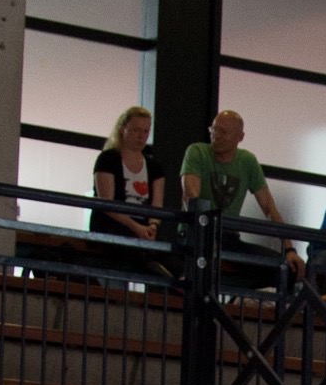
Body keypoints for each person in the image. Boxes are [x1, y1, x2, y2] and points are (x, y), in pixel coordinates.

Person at [180, 107, 299, 289]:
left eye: (223, 132)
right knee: (205, 261)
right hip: (197, 231)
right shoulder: (197, 152)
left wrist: (289, 249)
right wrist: (207, 236)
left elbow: (269, 207)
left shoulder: (247, 161)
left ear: (240, 137)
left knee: (286, 269)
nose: (216, 136)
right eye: (214, 130)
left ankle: (244, 300)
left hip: (229, 238)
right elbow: (190, 196)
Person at [90, 107, 163, 240]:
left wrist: (153, 225)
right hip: (111, 229)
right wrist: (136, 227)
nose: (141, 136)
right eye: (136, 130)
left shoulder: (155, 167)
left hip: (143, 229)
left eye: (145, 131)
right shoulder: (107, 159)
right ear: (122, 129)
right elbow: (107, 203)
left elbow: (157, 205)